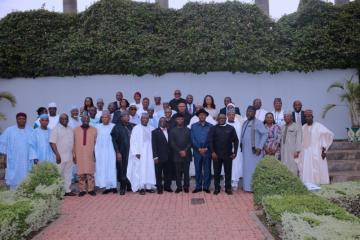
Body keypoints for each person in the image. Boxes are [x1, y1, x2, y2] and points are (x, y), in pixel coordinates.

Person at [298, 110, 334, 185]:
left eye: (309, 116)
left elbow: (328, 135)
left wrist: (324, 150)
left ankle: (319, 182)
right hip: (306, 152)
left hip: (316, 151)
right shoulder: (303, 127)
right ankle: (307, 183)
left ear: (312, 117)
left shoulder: (318, 126)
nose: (307, 118)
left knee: (317, 167)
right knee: (306, 168)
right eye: (306, 117)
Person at [0, 113, 33, 189]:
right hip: (13, 158)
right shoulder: (9, 130)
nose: (21, 120)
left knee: (26, 176)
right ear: (16, 120)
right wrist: (4, 158)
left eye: (23, 119)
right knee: (13, 176)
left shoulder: (30, 130)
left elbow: (34, 145)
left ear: (26, 120)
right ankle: (13, 192)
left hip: (26, 159)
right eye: (19, 118)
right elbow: (2, 143)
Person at [208, 114, 238, 195]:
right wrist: (212, 152)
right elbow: (210, 141)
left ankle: (228, 188)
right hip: (216, 155)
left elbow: (236, 141)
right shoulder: (213, 128)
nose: (221, 119)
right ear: (217, 119)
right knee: (216, 173)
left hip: (228, 154)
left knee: (228, 172)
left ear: (226, 119)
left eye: (223, 118)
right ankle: (217, 188)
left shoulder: (231, 128)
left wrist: (235, 152)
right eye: (220, 118)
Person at [240, 106, 268, 192]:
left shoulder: (258, 123)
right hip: (245, 151)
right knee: (246, 170)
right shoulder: (245, 123)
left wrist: (260, 147)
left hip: (255, 152)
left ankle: (254, 187)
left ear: (254, 113)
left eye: (251, 112)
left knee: (254, 170)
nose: (249, 113)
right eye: (247, 111)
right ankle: (247, 187)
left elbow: (265, 134)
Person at [127, 113, 156, 195]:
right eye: (143, 118)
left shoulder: (152, 128)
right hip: (140, 152)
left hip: (150, 152)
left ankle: (148, 187)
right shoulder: (136, 128)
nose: (145, 120)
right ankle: (141, 187)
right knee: (140, 170)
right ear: (141, 119)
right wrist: (136, 152)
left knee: (149, 169)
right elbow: (133, 141)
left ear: (148, 120)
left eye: (146, 118)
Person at [50, 113, 76, 196]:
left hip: (69, 156)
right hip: (60, 156)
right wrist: (57, 155)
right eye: (63, 119)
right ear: (60, 120)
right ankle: (58, 192)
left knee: (68, 173)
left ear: (68, 120)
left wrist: (74, 154)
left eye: (66, 119)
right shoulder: (55, 129)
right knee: (58, 174)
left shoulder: (70, 129)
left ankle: (67, 190)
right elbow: (52, 143)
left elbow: (73, 143)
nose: (65, 120)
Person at [111, 111, 135, 195]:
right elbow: (114, 141)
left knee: (132, 169)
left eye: (128, 116)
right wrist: (117, 152)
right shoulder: (116, 127)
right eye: (125, 116)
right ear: (121, 118)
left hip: (132, 152)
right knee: (122, 170)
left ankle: (130, 186)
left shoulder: (133, 126)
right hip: (122, 152)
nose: (127, 117)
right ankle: (122, 187)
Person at [74, 115, 97, 197]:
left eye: (87, 119)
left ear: (89, 120)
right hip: (79, 153)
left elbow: (96, 144)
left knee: (90, 172)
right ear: (81, 120)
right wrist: (74, 154)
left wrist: (95, 154)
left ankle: (91, 189)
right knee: (80, 173)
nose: (85, 120)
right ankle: (82, 190)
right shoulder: (75, 130)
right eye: (84, 119)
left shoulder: (94, 130)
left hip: (90, 153)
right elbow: (73, 144)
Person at [95, 111, 117, 194]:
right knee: (103, 168)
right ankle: (106, 187)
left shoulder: (113, 126)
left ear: (109, 118)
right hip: (101, 152)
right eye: (103, 117)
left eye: (106, 117)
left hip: (111, 151)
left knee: (112, 167)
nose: (104, 119)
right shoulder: (97, 127)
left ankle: (113, 186)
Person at [190, 109, 212, 193]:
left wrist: (206, 148)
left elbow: (212, 139)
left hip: (207, 151)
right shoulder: (194, 126)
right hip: (197, 151)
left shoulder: (210, 126)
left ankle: (206, 186)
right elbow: (192, 139)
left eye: (204, 115)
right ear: (198, 116)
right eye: (200, 115)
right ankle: (198, 186)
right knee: (198, 169)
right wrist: (198, 148)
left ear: (206, 116)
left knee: (207, 169)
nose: (202, 116)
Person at [170, 113, 192, 193]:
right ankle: (179, 187)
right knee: (177, 172)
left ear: (184, 120)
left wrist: (185, 150)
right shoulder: (173, 130)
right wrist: (179, 151)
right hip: (176, 154)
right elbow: (172, 143)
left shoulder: (188, 130)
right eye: (178, 119)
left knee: (186, 172)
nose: (180, 120)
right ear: (176, 120)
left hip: (187, 154)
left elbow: (190, 142)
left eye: (181, 119)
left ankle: (186, 186)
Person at [152, 117, 172, 194]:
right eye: (161, 121)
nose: (163, 122)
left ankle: (167, 187)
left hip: (169, 156)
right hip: (159, 157)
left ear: (166, 122)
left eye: (164, 121)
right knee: (158, 173)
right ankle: (159, 188)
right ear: (159, 122)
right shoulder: (154, 132)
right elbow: (154, 145)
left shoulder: (169, 131)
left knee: (168, 173)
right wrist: (155, 157)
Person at [226, 110, 245, 190]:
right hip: (226, 148)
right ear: (227, 115)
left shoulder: (239, 124)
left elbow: (240, 137)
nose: (231, 116)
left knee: (236, 165)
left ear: (235, 115)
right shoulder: (224, 123)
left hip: (236, 149)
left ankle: (235, 182)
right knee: (226, 165)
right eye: (229, 114)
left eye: (233, 114)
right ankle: (227, 182)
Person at [281, 111, 302, 175]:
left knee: (293, 166)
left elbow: (299, 138)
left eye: (287, 116)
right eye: (284, 117)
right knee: (284, 165)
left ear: (291, 117)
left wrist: (297, 151)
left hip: (293, 150)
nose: (286, 118)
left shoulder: (297, 126)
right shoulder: (282, 127)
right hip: (284, 150)